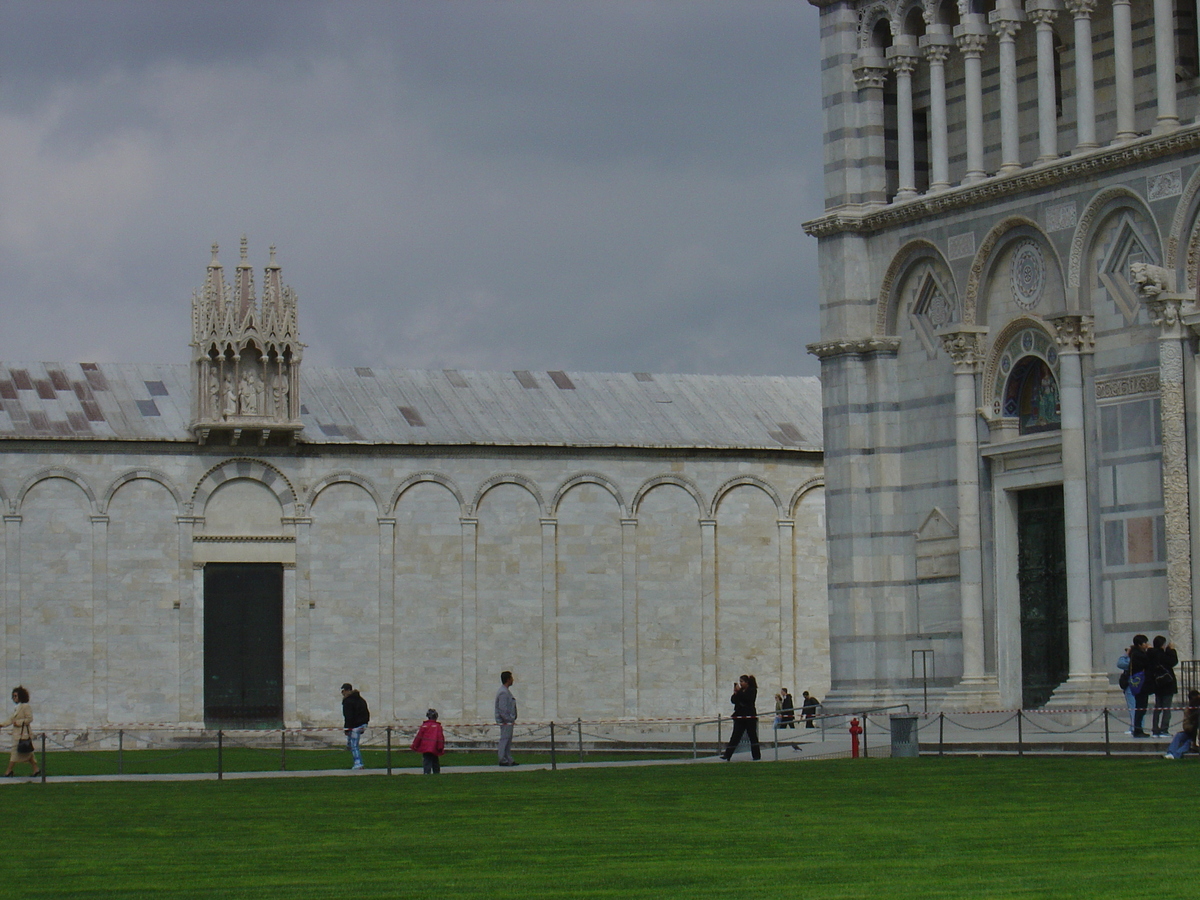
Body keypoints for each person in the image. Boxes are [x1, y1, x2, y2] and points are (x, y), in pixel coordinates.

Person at [719, 674, 761, 761]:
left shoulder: (752, 690)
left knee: (752, 736)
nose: (740, 684)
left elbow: (748, 699)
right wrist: (736, 693)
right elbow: (733, 700)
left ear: (747, 682)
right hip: (740, 716)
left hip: (749, 716)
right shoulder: (740, 691)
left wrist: (740, 692)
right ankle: (727, 755)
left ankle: (756, 755)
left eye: (742, 682)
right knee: (735, 736)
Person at [2, 687, 39, 778]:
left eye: (16, 696)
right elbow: (11, 719)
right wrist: (2, 725)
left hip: (23, 734)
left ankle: (8, 771)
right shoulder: (17, 708)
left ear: (21, 696)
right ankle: (36, 769)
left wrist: (18, 723)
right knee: (28, 753)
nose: (14, 698)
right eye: (13, 696)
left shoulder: (25, 706)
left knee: (15, 751)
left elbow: (29, 719)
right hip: (18, 734)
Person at [1149, 635, 1179, 737]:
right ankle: (1164, 729)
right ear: (1163, 645)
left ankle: (1155, 729)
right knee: (1166, 708)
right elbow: (1173, 661)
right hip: (1167, 685)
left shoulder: (1151, 654)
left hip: (1157, 684)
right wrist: (1171, 650)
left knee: (1157, 708)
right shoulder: (1163, 655)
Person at [1164, 689, 1200, 760]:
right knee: (1179, 736)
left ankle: (1176, 755)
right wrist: (1193, 728)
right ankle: (1170, 753)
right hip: (1191, 732)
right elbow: (1186, 725)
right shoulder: (1188, 711)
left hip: (1196, 736)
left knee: (1189, 742)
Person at [340, 683, 370, 770]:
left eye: (343, 691)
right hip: (362, 724)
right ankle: (357, 761)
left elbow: (348, 716)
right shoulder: (360, 699)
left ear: (346, 691)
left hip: (354, 726)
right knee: (352, 744)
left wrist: (347, 729)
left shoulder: (348, 701)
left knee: (354, 745)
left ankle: (358, 763)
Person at [1128, 635, 1153, 738]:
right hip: (1141, 685)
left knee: (1141, 707)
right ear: (1139, 644)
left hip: (1141, 684)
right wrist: (1151, 651)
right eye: (1144, 643)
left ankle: (1138, 729)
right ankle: (1138, 730)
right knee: (1141, 707)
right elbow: (1148, 663)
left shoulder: (1136, 653)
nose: (1146, 645)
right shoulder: (1139, 655)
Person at [411, 708, 446, 774]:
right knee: (435, 760)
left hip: (425, 747)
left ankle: (426, 772)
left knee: (427, 760)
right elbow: (440, 737)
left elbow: (419, 737)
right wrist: (440, 747)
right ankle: (436, 772)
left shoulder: (424, 726)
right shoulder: (438, 726)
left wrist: (414, 745)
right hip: (434, 747)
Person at [495, 671, 518, 767]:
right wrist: (508, 719)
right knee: (505, 740)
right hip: (506, 722)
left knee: (508, 740)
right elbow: (503, 709)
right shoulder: (503, 693)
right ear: (508, 679)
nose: (513, 680)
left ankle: (508, 758)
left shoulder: (505, 691)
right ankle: (503, 759)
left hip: (508, 721)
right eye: (511, 678)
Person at [1117, 648, 1135, 734]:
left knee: (1132, 707)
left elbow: (1120, 663)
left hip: (1131, 685)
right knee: (1137, 707)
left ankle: (1134, 727)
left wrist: (1126, 654)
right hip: (1139, 684)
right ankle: (1135, 726)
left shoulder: (1131, 662)